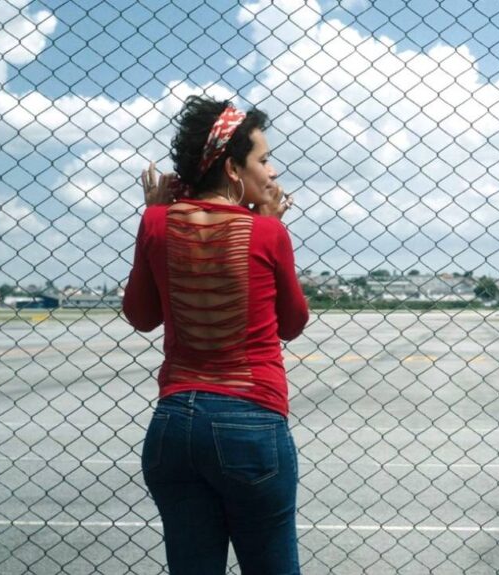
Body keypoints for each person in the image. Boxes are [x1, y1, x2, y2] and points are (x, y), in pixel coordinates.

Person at [123, 95, 309, 574]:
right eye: (263, 160)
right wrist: (269, 223)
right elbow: (292, 324)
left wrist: (153, 218)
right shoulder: (266, 232)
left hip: (173, 425)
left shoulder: (157, 221)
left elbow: (141, 316)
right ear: (231, 169)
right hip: (250, 421)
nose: (271, 172)